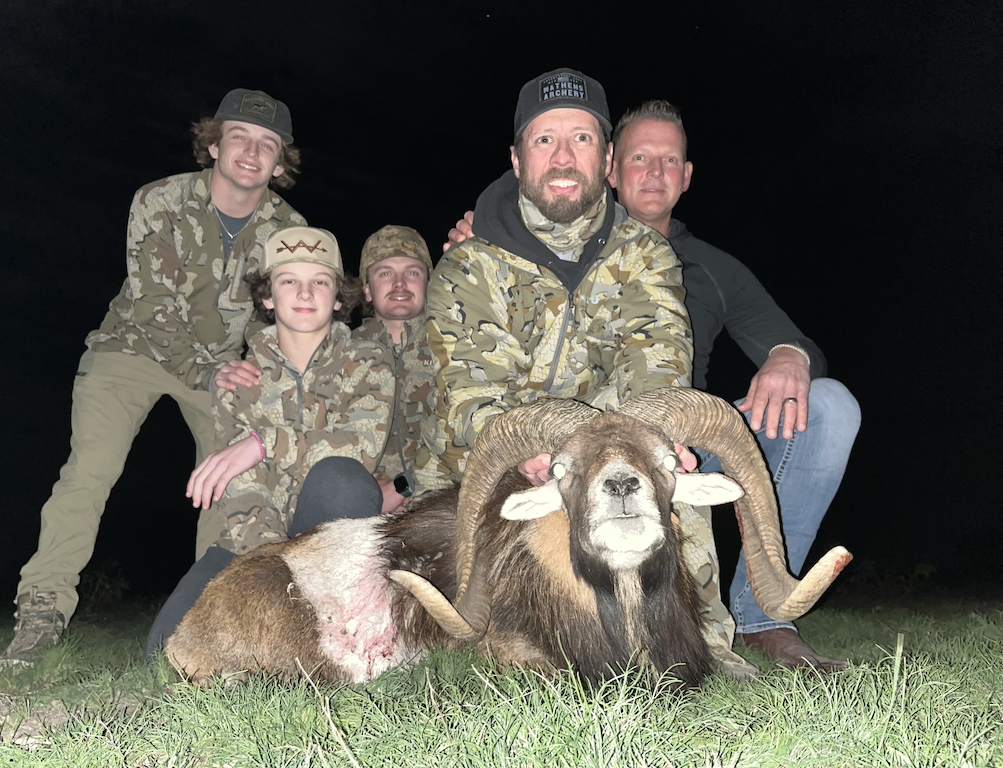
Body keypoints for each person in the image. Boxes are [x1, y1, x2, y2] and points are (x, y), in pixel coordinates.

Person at [416, 68, 751, 677]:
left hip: (605, 455)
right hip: (492, 468)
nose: (564, 157)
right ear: (517, 160)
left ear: (607, 160)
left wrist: (654, 443)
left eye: (582, 139)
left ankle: (706, 640)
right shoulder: (469, 266)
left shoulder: (646, 255)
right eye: (544, 140)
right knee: (490, 616)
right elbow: (470, 399)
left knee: (667, 471)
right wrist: (535, 455)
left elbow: (657, 374)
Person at [1, 88, 306, 667]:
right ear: (213, 145)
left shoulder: (287, 230)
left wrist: (260, 378)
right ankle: (41, 608)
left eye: (267, 144)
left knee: (235, 477)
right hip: (132, 348)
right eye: (239, 137)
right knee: (90, 470)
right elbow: (152, 307)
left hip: (221, 364)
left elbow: (281, 316)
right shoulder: (160, 200)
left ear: (279, 163)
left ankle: (214, 618)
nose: (251, 152)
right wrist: (209, 370)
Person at [607, 100, 860, 670]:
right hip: (596, 442)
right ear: (610, 170)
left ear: (687, 176)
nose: (655, 172)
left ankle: (763, 615)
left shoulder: (712, 267)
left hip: (689, 448)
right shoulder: (570, 249)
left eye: (669, 160)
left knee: (829, 406)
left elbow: (798, 344)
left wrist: (789, 356)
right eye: (639, 158)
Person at [144, 226, 395, 655]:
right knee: (164, 652)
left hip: (333, 537)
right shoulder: (237, 382)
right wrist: (270, 570)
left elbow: (358, 447)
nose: (304, 293)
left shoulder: (369, 360)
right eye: (288, 280)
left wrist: (262, 444)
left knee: (343, 480)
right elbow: (242, 488)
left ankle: (337, 626)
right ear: (267, 297)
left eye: (320, 281)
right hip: (256, 541)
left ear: (338, 298)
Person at [352, 225, 435, 514]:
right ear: (367, 289)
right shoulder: (340, 353)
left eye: (412, 272)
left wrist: (404, 486)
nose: (400, 284)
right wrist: (365, 490)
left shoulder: (457, 347)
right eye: (385, 273)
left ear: (428, 283)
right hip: (361, 506)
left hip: (442, 502)